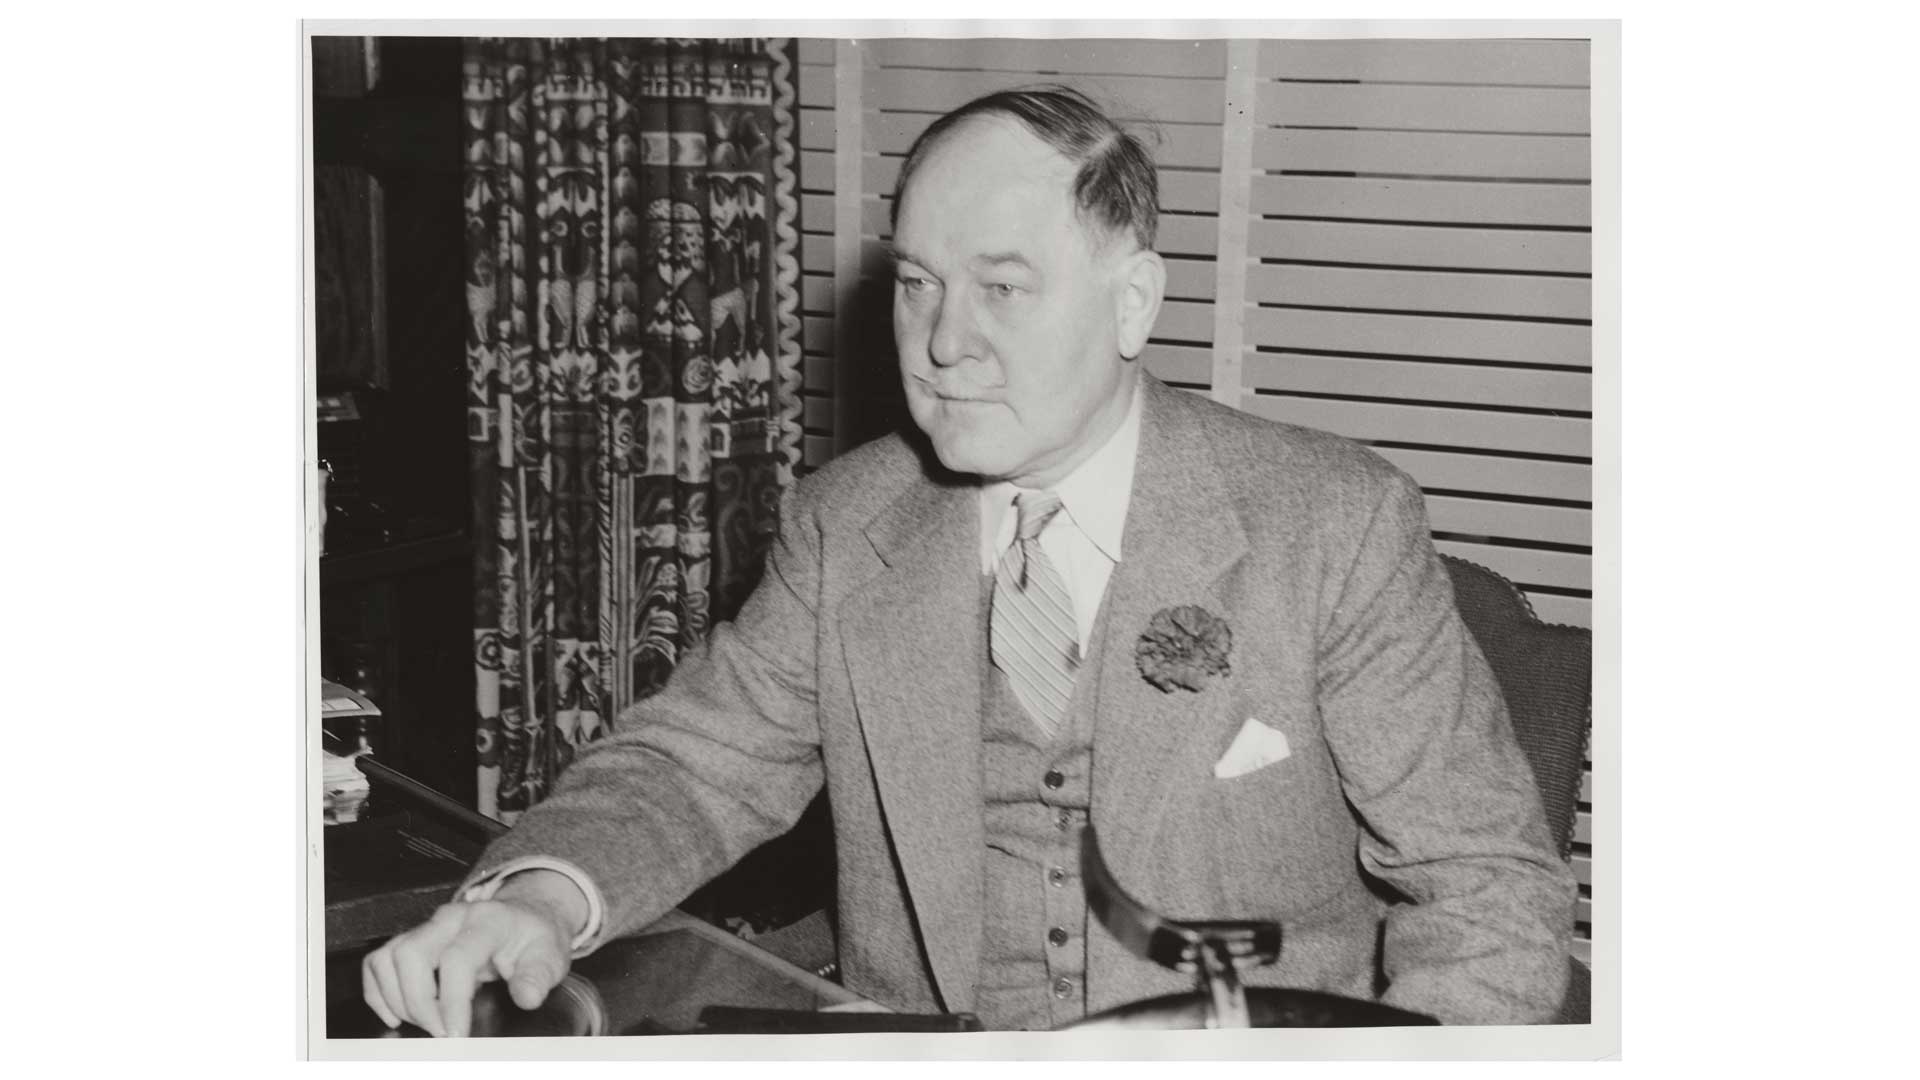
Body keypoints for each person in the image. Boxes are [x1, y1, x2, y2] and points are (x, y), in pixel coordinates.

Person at [361, 87, 1576, 1036]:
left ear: (1132, 304)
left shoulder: (1332, 520)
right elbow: (694, 768)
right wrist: (535, 895)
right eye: (920, 286)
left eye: (1003, 287)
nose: (943, 342)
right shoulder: (850, 522)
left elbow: (1485, 890)